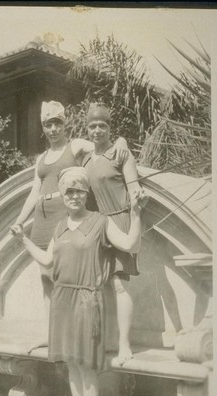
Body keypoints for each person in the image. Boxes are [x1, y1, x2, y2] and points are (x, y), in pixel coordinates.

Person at [10, 167, 141, 396]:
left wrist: (137, 213)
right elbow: (46, 261)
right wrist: (23, 239)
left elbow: (131, 243)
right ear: (63, 196)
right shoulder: (59, 227)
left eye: (79, 190)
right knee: (72, 364)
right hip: (62, 300)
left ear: (86, 194)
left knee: (86, 365)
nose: (74, 195)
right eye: (69, 190)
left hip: (86, 301)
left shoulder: (100, 222)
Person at [11, 101, 128, 323]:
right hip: (41, 219)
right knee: (46, 278)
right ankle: (51, 332)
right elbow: (34, 192)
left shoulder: (75, 146)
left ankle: (73, 330)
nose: (53, 129)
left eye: (57, 123)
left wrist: (121, 140)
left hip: (63, 217)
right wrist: (19, 221)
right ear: (43, 127)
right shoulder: (40, 159)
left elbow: (102, 142)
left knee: (69, 276)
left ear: (64, 125)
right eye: (48, 124)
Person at [83, 103, 146, 366]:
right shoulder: (84, 159)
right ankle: (101, 342)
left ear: (110, 128)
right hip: (97, 226)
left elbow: (134, 188)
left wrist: (137, 201)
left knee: (119, 284)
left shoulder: (121, 154)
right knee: (97, 285)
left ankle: (124, 344)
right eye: (93, 126)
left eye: (103, 126)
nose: (97, 130)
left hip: (119, 220)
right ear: (87, 129)